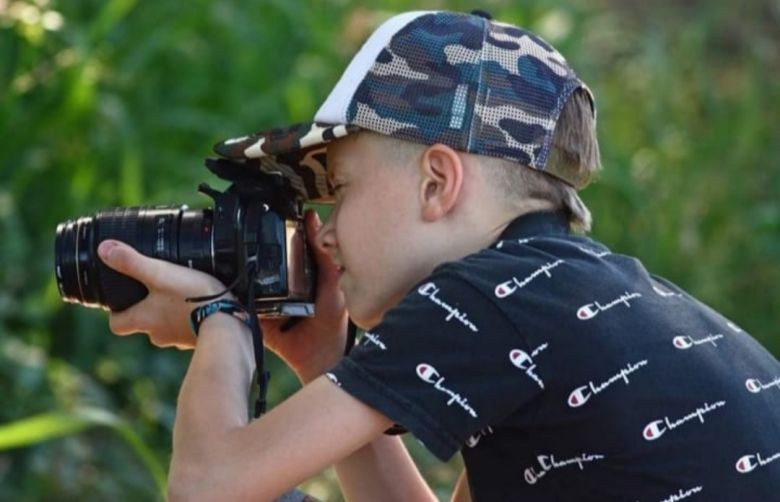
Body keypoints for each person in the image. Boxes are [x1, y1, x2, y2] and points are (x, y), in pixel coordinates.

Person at [96, 10, 780, 501]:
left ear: (437, 182)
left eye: (339, 190)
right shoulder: (582, 295)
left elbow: (208, 486)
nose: (324, 233)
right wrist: (321, 359)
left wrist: (220, 318)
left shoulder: (487, 295)